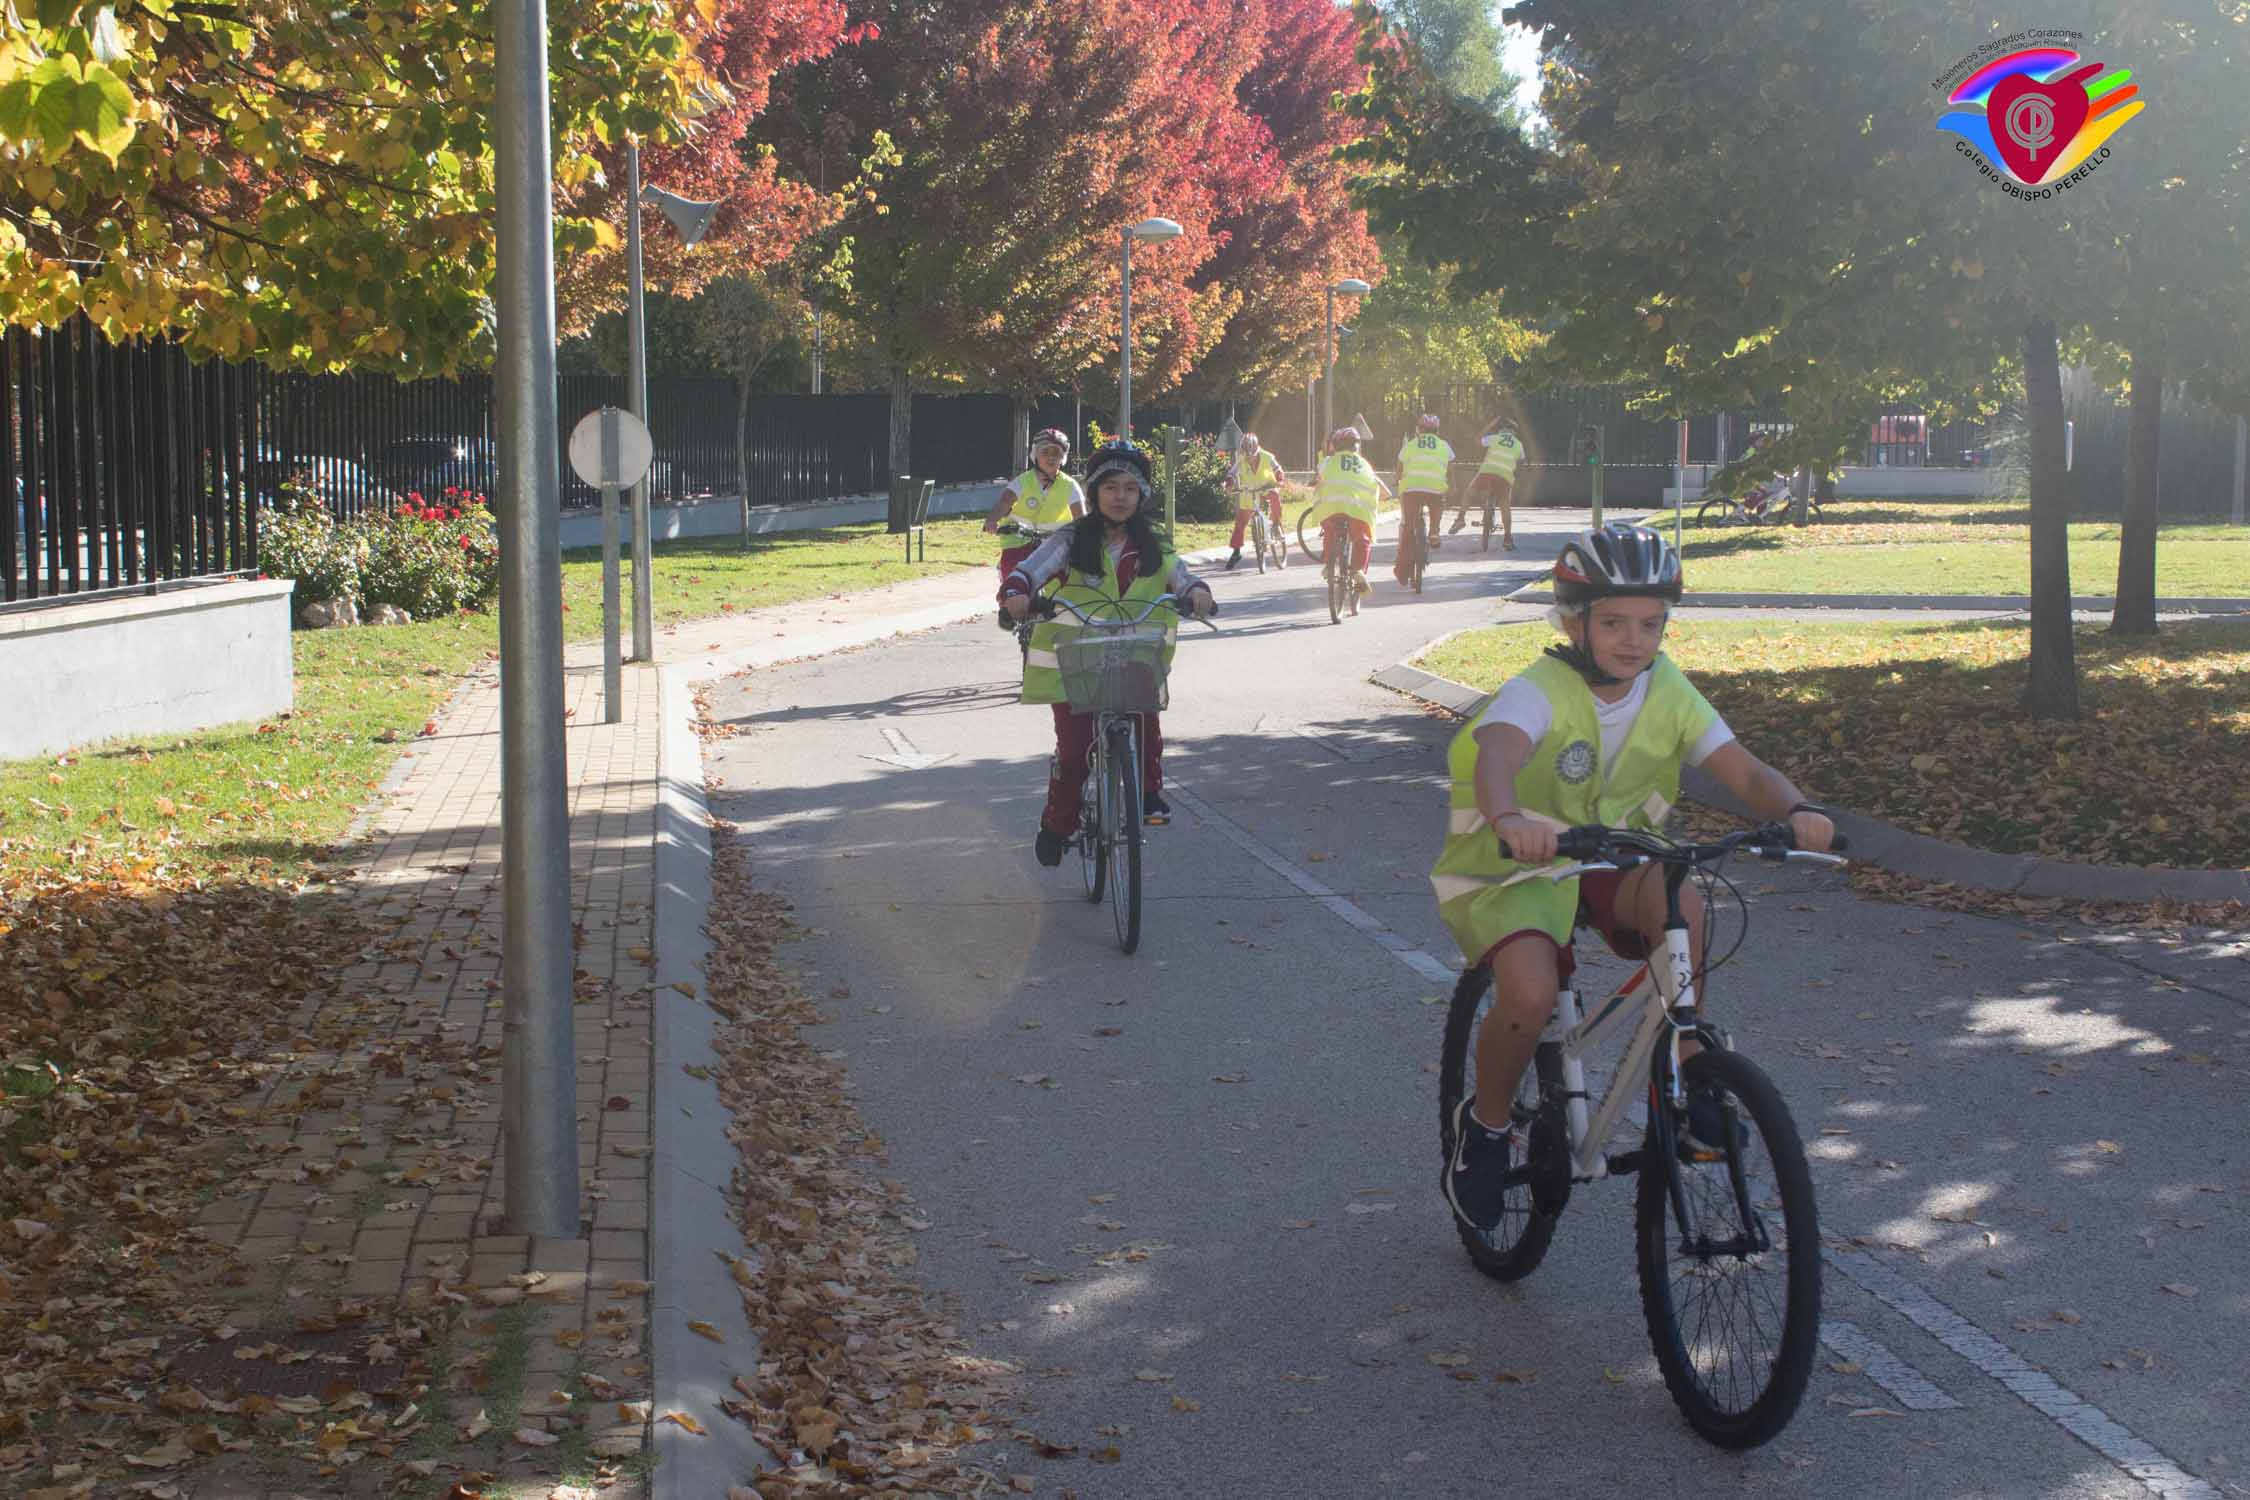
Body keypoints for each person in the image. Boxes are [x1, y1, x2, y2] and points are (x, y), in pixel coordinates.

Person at [1427, 524, 1835, 1231]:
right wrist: (1510, 818)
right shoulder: (1537, 690)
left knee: (1684, 901)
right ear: (1572, 623)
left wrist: (1797, 809)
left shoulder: (1666, 689)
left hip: (1615, 856)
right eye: (1613, 622)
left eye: (1651, 623)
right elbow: (1497, 756)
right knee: (1530, 996)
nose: (1634, 640)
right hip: (1519, 866)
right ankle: (1486, 1127)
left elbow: (1744, 772)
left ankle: (1687, 1068)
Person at [1000, 439, 1217, 865]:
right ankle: (1057, 824)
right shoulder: (1071, 538)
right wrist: (1016, 595)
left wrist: (1197, 593)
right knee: (1074, 752)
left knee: (1146, 721)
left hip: (1133, 655)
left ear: (1142, 496)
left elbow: (1181, 575)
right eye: (1111, 487)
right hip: (1075, 662)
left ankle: (1148, 793)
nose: (1121, 497)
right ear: (1095, 492)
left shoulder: (1154, 543)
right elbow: (1030, 570)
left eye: (1131, 489)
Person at [983, 428, 1084, 630]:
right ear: (1035, 455)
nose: (1051, 458)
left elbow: (1081, 517)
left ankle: (1056, 607)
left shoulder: (1070, 486)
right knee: (1012, 569)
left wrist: (1085, 535)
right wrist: (992, 520)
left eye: (1056, 453)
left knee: (1065, 575)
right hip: (1018, 540)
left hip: (1054, 543)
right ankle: (1007, 607)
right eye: (1045, 452)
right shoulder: (1023, 481)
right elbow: (1005, 502)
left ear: (1063, 458)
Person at [1306, 426, 1390, 597]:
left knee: (1330, 532)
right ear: (1356, 446)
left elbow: (1316, 480)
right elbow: (1383, 491)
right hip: (1357, 510)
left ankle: (1329, 564)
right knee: (1362, 539)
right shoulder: (1364, 464)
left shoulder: (1326, 462)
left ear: (1335, 445)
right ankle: (1358, 570)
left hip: (1331, 509)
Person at [1393, 414, 1454, 586]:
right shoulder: (1444, 445)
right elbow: (1450, 468)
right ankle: (1434, 532)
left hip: (1411, 488)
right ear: (1437, 431)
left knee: (1408, 526)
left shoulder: (1410, 444)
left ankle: (1403, 572)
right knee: (1438, 504)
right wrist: (1452, 484)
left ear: (1419, 429)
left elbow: (1400, 466)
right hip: (1435, 487)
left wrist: (1397, 479)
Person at [1451, 416, 1524, 550]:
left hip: (1487, 472)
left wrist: (1489, 425)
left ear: (1501, 429)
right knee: (1505, 506)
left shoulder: (1495, 438)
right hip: (1505, 476)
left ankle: (1461, 518)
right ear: (1514, 431)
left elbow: (1478, 440)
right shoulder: (1519, 444)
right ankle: (1507, 538)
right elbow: (1521, 460)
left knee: (1470, 492)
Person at [1224, 432, 1286, 571]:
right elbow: (1231, 474)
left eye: (1252, 456)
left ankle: (1276, 524)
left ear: (1257, 451)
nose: (1249, 459)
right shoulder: (1242, 460)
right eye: (1247, 456)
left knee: (1275, 497)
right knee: (1240, 522)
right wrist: (1229, 484)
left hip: (1267, 488)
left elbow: (1278, 470)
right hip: (1249, 492)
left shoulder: (1267, 456)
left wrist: (1280, 480)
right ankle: (1236, 552)